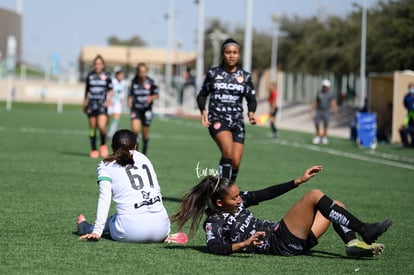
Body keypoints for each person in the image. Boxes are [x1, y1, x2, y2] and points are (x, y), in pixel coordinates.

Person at [171, 165, 392, 258]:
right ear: (219, 203)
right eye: (235, 197)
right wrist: (244, 244)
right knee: (315, 195)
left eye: (239, 195)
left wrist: (298, 180)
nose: (240, 199)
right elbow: (214, 247)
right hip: (279, 242)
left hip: (290, 239)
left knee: (338, 205)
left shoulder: (238, 202)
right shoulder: (215, 221)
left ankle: (353, 243)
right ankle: (365, 230)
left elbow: (265, 194)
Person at [77, 129, 188, 244]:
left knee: (114, 219)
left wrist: (97, 231)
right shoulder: (144, 158)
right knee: (129, 214)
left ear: (112, 147)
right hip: (162, 227)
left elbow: (104, 198)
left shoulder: (105, 165)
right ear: (135, 146)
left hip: (130, 230)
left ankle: (88, 228)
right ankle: (164, 237)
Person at [196, 38, 257, 182]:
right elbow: (202, 94)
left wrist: (251, 112)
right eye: (228, 52)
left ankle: (228, 189)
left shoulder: (245, 76)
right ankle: (222, 192)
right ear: (223, 54)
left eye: (235, 52)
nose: (231, 55)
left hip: (237, 122)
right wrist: (203, 111)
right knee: (228, 152)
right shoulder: (213, 73)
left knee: (235, 162)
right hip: (217, 119)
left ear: (239, 55)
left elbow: (251, 99)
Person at [82, 55, 113, 158]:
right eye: (96, 63)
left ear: (103, 65)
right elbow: (87, 91)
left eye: (99, 63)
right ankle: (93, 149)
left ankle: (103, 145)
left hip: (102, 104)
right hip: (91, 104)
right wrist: (84, 102)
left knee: (102, 126)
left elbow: (111, 90)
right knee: (92, 128)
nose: (97, 65)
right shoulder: (90, 76)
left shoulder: (107, 76)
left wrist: (109, 100)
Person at [128, 63, 159, 155]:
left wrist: (151, 98)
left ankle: (144, 153)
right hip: (136, 109)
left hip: (147, 110)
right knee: (135, 131)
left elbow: (156, 94)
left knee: (145, 134)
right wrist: (129, 100)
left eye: (144, 72)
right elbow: (130, 94)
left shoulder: (151, 82)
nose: (142, 74)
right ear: (138, 72)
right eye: (140, 72)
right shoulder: (134, 81)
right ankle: (136, 153)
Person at [310, 79, 338, 145]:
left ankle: (324, 137)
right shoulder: (319, 92)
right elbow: (316, 101)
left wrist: (335, 111)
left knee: (326, 124)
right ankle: (318, 135)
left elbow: (333, 102)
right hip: (319, 110)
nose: (325, 87)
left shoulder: (330, 94)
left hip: (326, 111)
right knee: (316, 123)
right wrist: (311, 109)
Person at [107, 66, 127, 140]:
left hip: (117, 103)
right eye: (120, 74)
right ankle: (104, 131)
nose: (121, 75)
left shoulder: (124, 83)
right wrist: (109, 100)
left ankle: (110, 134)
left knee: (116, 118)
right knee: (106, 119)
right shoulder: (112, 81)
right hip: (110, 102)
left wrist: (122, 98)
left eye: (122, 74)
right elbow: (109, 91)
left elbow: (123, 92)